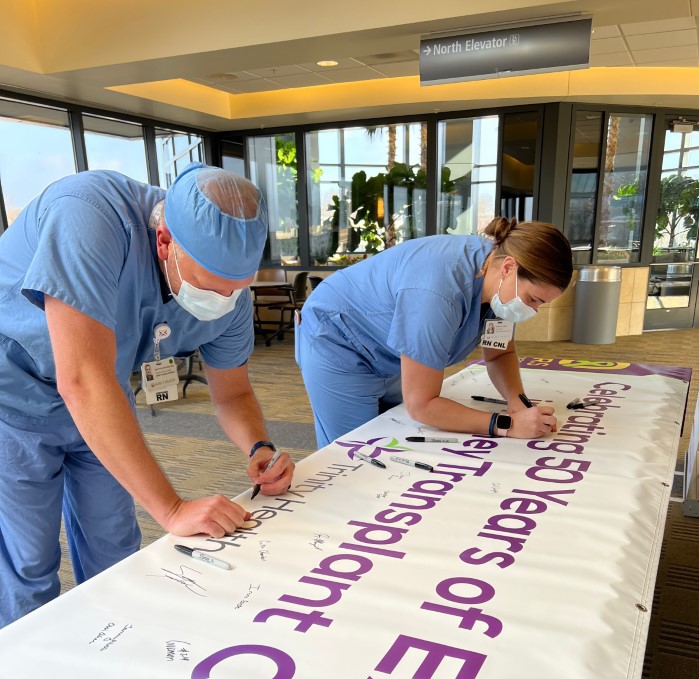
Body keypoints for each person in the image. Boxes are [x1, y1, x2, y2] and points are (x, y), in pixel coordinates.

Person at [0, 162, 294, 628]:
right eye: (210, 284)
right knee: (29, 563)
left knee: (114, 545)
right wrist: (173, 509)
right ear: (164, 243)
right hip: (13, 398)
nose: (222, 299)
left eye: (236, 289)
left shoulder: (230, 295)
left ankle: (119, 650)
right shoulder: (88, 214)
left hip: (104, 396)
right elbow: (80, 379)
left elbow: (233, 392)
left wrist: (258, 447)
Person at [295, 217, 573, 447]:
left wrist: (518, 403)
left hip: (383, 349)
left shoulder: (497, 277)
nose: (532, 310)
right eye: (533, 299)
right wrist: (506, 425)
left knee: (395, 437)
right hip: (336, 342)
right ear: (509, 267)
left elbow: (499, 354)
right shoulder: (437, 292)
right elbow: (422, 405)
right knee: (354, 454)